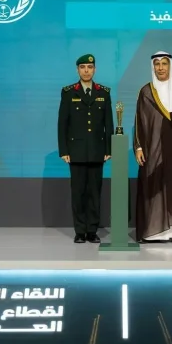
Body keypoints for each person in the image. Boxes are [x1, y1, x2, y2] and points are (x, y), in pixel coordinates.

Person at [133, 51, 172, 245]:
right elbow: (139, 122)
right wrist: (138, 147)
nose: (160, 67)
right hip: (152, 148)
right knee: (153, 185)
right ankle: (153, 233)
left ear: (170, 65)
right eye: (157, 64)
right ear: (153, 66)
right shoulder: (146, 91)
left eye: (164, 63)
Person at [58, 54, 113, 243]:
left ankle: (92, 231)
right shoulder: (68, 92)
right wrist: (64, 150)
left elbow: (108, 124)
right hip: (76, 151)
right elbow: (62, 124)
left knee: (95, 193)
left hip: (97, 150)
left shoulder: (103, 92)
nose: (86, 71)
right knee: (78, 193)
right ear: (77, 70)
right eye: (83, 67)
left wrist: (109, 149)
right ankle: (80, 231)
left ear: (95, 69)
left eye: (90, 67)